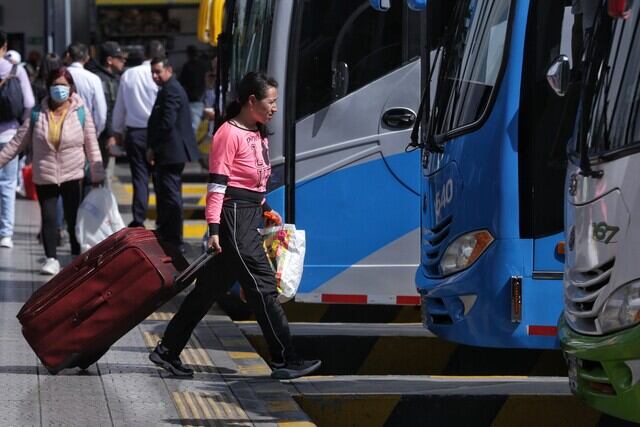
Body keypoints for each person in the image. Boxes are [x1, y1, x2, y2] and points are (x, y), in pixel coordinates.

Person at [149, 72, 321, 380]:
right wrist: (213, 230)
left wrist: (266, 208)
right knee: (263, 287)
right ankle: (285, 359)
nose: (275, 108)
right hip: (234, 218)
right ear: (251, 101)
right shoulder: (227, 134)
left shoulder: (257, 132)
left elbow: (254, 182)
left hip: (249, 213)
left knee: (208, 290)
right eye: (271, 101)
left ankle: (167, 350)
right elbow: (217, 186)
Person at [0, 67, 104, 274]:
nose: (59, 89)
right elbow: (17, 143)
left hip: (72, 173)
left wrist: (97, 172)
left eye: (64, 85)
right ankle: (51, 258)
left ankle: (76, 256)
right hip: (45, 173)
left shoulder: (81, 112)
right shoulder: (37, 114)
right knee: (48, 218)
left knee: (74, 216)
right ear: (48, 87)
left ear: (71, 88)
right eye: (55, 85)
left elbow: (91, 144)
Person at [147, 57, 199, 251]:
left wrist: (153, 147)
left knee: (171, 195)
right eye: (152, 72)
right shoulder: (168, 88)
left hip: (170, 152)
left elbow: (167, 123)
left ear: (168, 70)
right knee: (167, 193)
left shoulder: (172, 90)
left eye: (158, 72)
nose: (155, 76)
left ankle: (174, 237)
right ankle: (168, 233)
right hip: (169, 151)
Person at [112, 40, 165, 228]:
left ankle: (139, 219)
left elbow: (120, 106)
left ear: (144, 55)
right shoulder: (161, 75)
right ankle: (162, 219)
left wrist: (116, 131)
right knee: (160, 178)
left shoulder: (129, 74)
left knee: (139, 178)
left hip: (135, 133)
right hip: (158, 132)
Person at [0, 32, 35, 249]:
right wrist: (21, 126)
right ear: (4, 45)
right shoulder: (16, 69)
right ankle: (5, 234)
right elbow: (30, 102)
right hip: (10, 136)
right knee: (7, 184)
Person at [94, 41, 127, 186]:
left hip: (105, 133)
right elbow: (106, 109)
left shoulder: (112, 78)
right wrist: (111, 134)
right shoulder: (104, 80)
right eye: (120, 58)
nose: (123, 61)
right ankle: (103, 206)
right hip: (104, 135)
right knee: (105, 173)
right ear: (109, 60)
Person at [65, 43, 107, 136]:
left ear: (68, 56)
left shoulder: (59, 75)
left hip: (62, 129)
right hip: (85, 130)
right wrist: (96, 132)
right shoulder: (93, 79)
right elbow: (101, 112)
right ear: (87, 58)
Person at [178, 45, 208, 132]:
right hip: (200, 98)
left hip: (190, 99)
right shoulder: (202, 66)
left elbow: (182, 82)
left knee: (192, 127)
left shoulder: (187, 66)